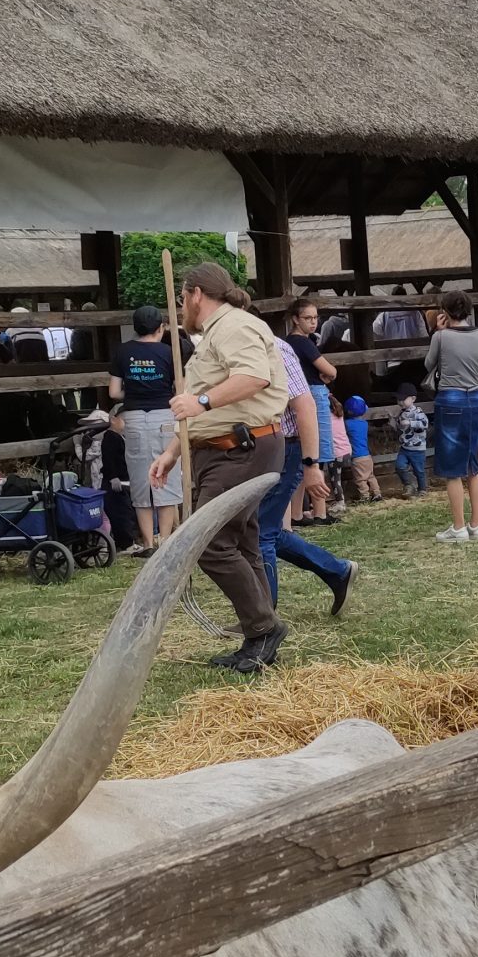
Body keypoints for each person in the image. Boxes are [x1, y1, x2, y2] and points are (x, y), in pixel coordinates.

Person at [147, 262, 289, 674]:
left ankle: (263, 628)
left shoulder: (233, 327)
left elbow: (253, 377)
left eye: (180, 299)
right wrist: (174, 450)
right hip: (226, 447)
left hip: (242, 448)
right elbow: (200, 406)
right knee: (242, 542)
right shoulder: (215, 333)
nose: (179, 308)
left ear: (195, 294)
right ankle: (260, 636)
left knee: (207, 541)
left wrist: (202, 403)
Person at [259, 330, 357, 613]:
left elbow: (305, 406)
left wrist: (311, 465)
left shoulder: (276, 348)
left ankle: (263, 619)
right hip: (264, 449)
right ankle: (337, 571)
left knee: (260, 533)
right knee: (266, 530)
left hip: (287, 447)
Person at [109, 305, 182, 555]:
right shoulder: (168, 352)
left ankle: (148, 544)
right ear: (160, 327)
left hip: (135, 419)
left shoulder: (123, 351)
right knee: (167, 476)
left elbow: (114, 392)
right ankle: (166, 541)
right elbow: (178, 388)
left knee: (141, 479)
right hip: (165, 416)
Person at [424, 290, 478, 542]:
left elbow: (428, 364)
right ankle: (477, 524)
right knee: (473, 463)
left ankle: (459, 526)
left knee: (453, 469)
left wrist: (436, 332)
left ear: (445, 311)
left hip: (451, 399)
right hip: (477, 399)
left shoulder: (442, 337)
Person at [281, 298, 339, 471]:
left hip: (296, 393)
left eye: (315, 317)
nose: (313, 322)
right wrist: (329, 374)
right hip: (313, 392)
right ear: (295, 319)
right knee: (318, 448)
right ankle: (319, 494)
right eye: (307, 318)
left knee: (303, 446)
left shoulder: (288, 341)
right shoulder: (303, 342)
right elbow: (331, 371)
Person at [343, 393, 382, 502]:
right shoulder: (364, 424)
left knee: (360, 479)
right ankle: (377, 493)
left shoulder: (347, 424)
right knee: (370, 476)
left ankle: (364, 496)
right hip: (367, 456)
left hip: (357, 457)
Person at [393, 385, 429, 496]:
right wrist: (393, 423)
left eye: (403, 399)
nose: (400, 402)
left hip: (417, 448)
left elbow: (425, 424)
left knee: (419, 470)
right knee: (399, 466)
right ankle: (409, 485)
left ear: (413, 399)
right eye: (398, 399)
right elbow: (400, 428)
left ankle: (422, 490)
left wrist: (411, 423)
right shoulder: (401, 413)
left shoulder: (418, 412)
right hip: (404, 447)